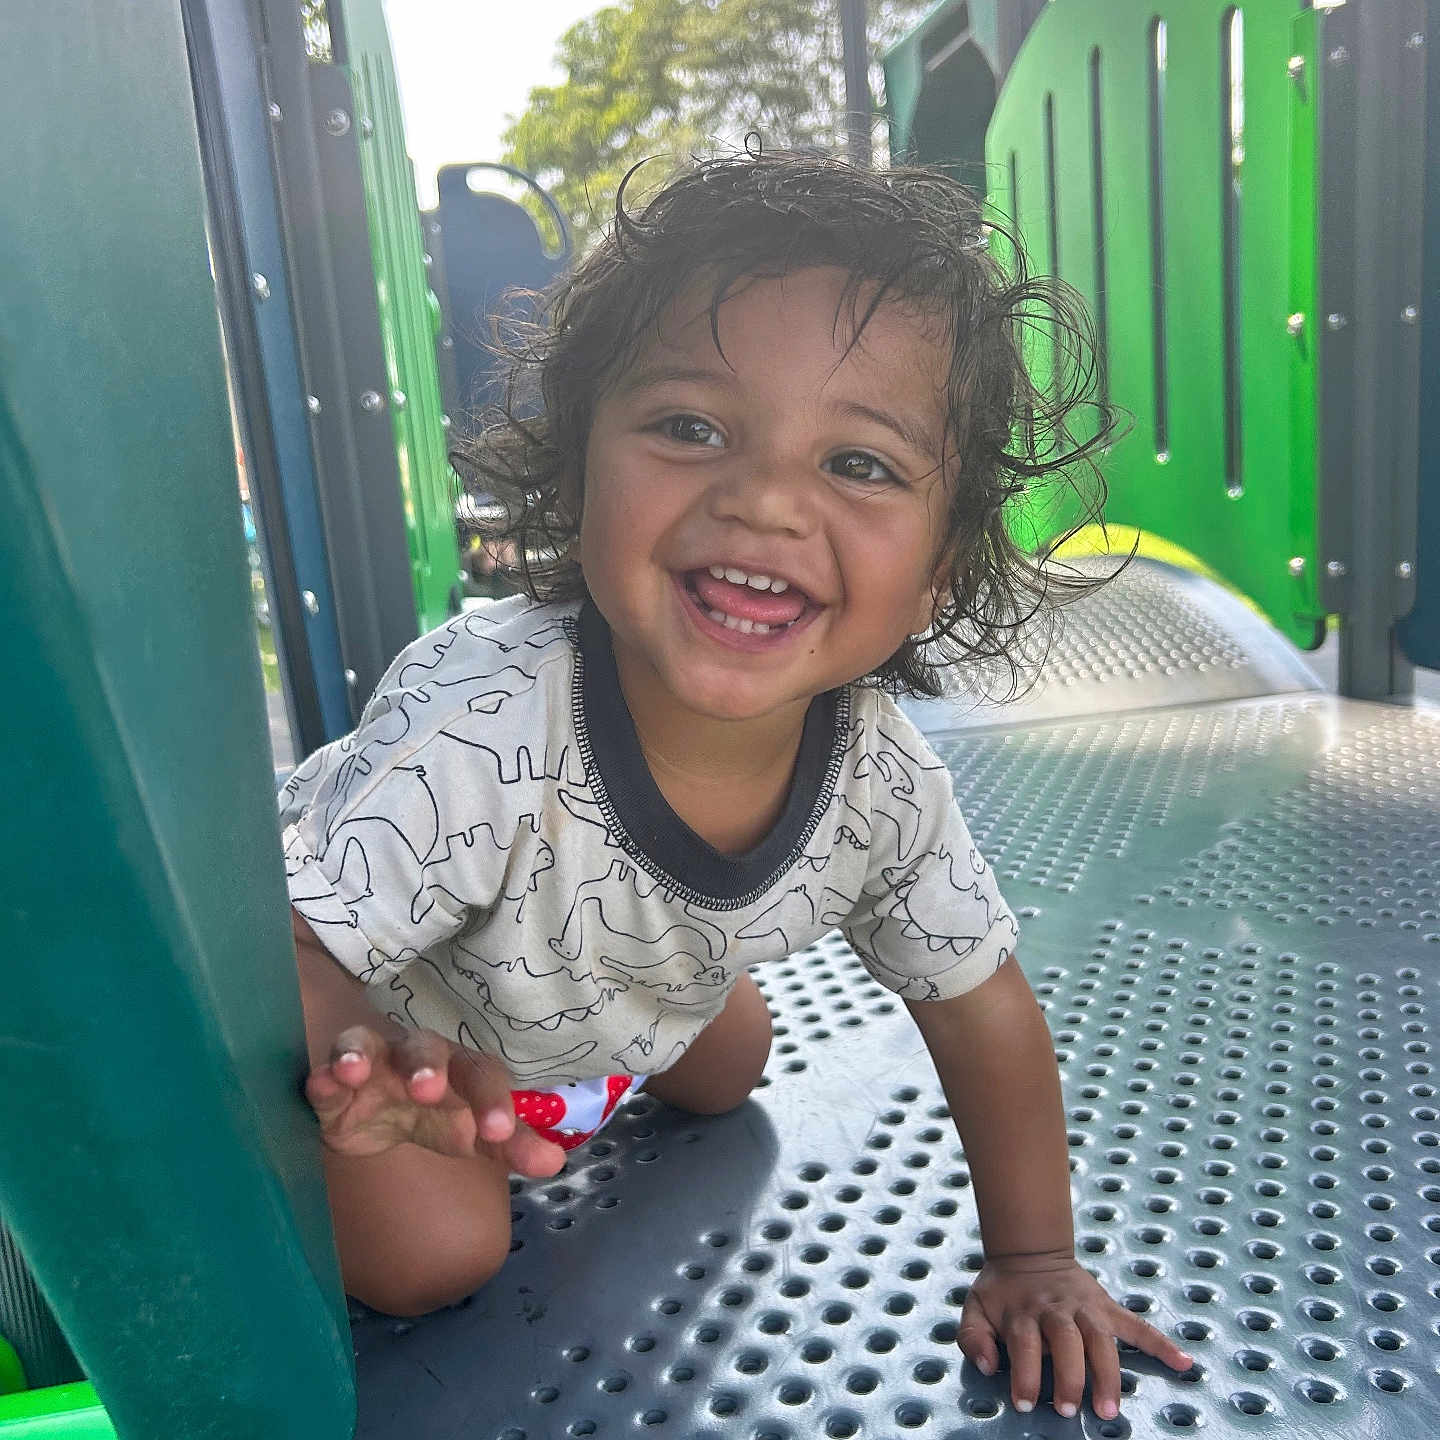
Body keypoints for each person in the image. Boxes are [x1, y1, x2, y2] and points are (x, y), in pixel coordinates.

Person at [281, 147, 1192, 1422]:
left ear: (942, 572)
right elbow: (295, 939)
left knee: (731, 1064)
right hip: (425, 1031)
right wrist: (359, 1060)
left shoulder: (880, 775)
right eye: (690, 428)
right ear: (578, 465)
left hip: (589, 1010)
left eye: (861, 463)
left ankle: (629, 996)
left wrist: (1034, 1259)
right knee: (435, 1259)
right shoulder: (483, 723)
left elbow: (981, 1005)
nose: (764, 498)